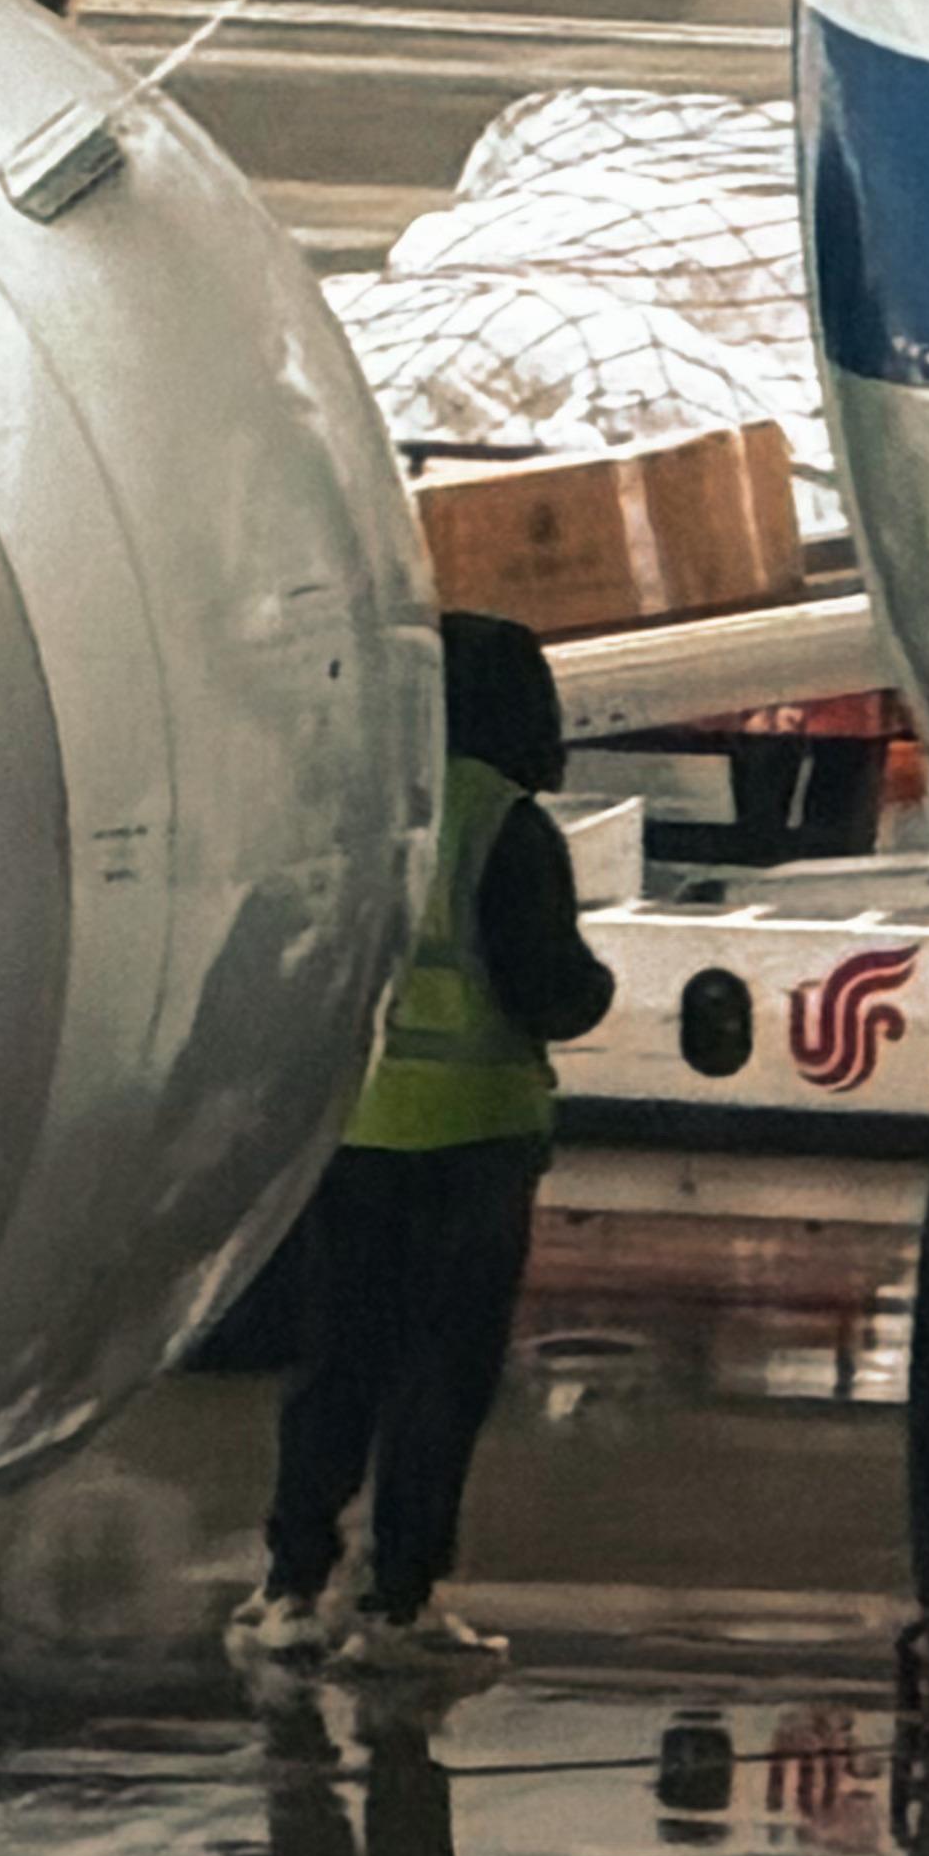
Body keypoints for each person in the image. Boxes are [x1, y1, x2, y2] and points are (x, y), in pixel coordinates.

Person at [230, 609, 610, 1682]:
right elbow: (553, 991)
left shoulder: (357, 815)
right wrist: (598, 992)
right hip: (478, 1145)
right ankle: (399, 1604)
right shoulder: (506, 826)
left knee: (334, 1368)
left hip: (355, 1137)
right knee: (440, 1382)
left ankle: (289, 1592)